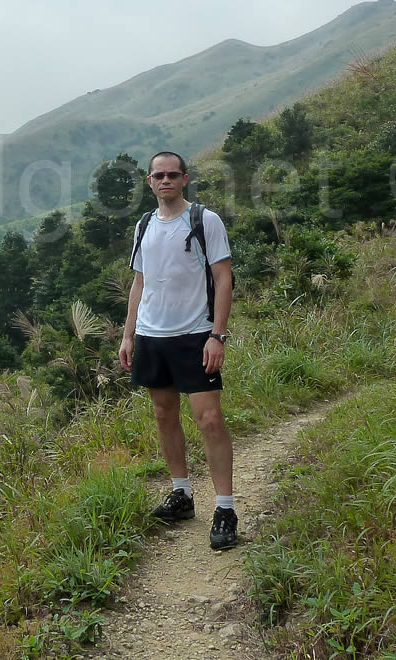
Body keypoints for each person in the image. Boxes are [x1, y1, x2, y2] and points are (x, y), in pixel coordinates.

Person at [119, 152, 238, 550]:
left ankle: (225, 508)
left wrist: (217, 336)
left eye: (173, 174)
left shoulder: (205, 220)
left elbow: (224, 280)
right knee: (163, 413)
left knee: (209, 419)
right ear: (149, 182)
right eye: (159, 175)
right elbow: (139, 282)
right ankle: (181, 493)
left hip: (195, 334)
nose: (166, 180)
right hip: (152, 336)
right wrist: (128, 334)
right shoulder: (143, 225)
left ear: (184, 179)